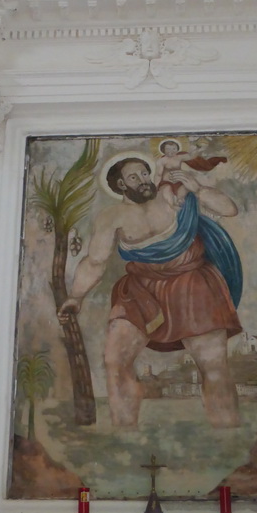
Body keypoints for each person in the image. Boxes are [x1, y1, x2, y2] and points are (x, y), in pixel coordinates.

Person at [57, 157, 242, 429]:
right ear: (120, 185)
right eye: (134, 177)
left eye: (145, 173)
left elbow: (230, 210)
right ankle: (126, 435)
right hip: (141, 290)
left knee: (213, 366)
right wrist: (76, 297)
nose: (144, 180)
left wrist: (199, 189)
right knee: (114, 360)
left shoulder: (170, 194)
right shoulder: (111, 217)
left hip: (192, 285)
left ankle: (228, 435)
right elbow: (95, 262)